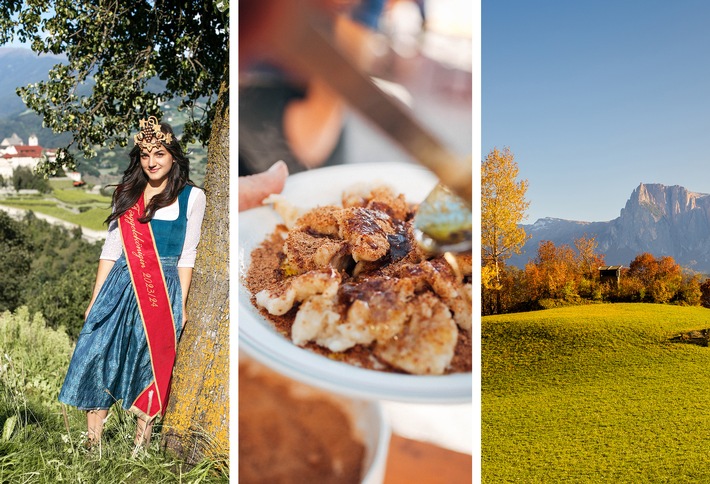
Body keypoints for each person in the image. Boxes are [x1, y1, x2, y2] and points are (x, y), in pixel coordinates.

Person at [58, 116, 207, 450]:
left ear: (173, 156)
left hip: (162, 288)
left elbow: (188, 255)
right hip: (120, 284)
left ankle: (139, 450)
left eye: (159, 153)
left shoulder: (192, 198)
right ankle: (91, 445)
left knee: (151, 363)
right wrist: (94, 299)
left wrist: (180, 305)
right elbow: (110, 249)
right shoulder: (126, 193)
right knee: (99, 354)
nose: (152, 162)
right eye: (145, 155)